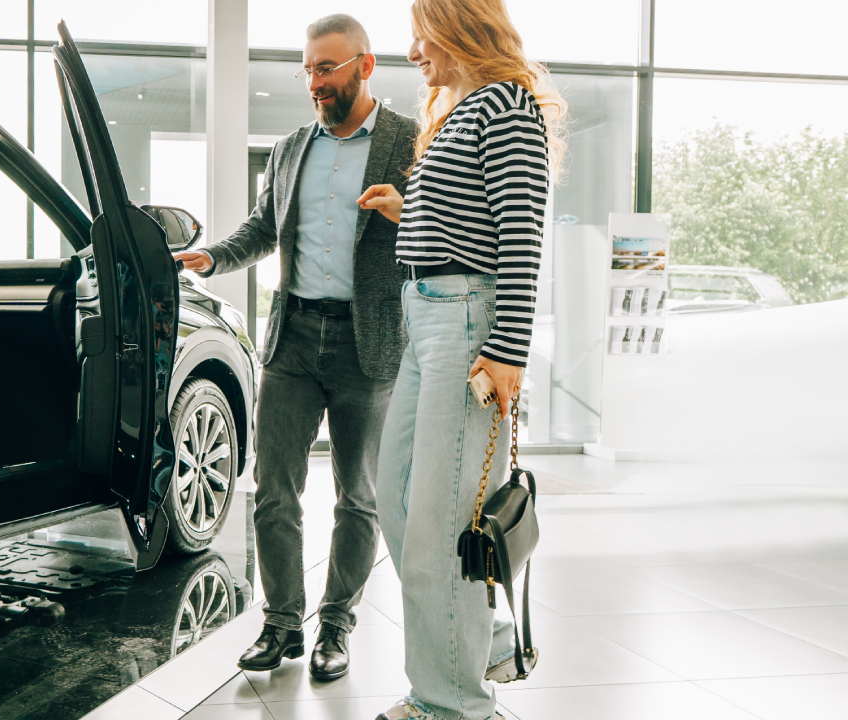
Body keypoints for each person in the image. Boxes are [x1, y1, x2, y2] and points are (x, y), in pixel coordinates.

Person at [175, 14, 420, 681]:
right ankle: (282, 623)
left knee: (356, 496)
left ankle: (336, 626)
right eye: (308, 69)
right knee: (272, 488)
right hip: (292, 342)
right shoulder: (291, 150)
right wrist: (209, 258)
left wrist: (411, 211)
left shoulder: (408, 142)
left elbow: (438, 229)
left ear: (365, 67)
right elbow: (261, 230)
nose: (315, 82)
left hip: (367, 344)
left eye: (327, 69)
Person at [356, 0, 566, 717]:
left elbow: (520, 232)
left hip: (467, 326)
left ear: (459, 24)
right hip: (429, 321)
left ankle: (451, 706)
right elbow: (470, 215)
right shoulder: (466, 108)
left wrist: (507, 351)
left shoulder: (507, 104)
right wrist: (405, 209)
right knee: (400, 499)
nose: (413, 50)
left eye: (422, 33)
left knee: (441, 523)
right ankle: (486, 637)